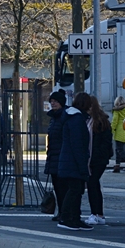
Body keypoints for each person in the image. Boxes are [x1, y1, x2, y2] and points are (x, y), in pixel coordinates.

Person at [57, 94, 93, 231]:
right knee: (75, 190)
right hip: (73, 161)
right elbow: (78, 144)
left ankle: (74, 218)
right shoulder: (77, 120)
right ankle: (67, 218)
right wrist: (83, 165)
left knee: (75, 190)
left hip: (68, 160)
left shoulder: (71, 118)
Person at [78, 93, 114, 226]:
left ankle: (97, 213)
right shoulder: (87, 120)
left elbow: (105, 142)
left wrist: (101, 154)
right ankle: (98, 213)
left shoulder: (99, 121)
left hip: (97, 158)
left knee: (92, 183)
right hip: (93, 158)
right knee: (93, 184)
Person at [45, 90, 67, 221]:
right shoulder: (53, 118)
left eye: (55, 102)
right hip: (54, 156)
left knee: (63, 187)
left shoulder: (63, 117)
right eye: (52, 101)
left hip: (61, 157)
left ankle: (64, 211)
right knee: (57, 187)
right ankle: (61, 211)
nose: (53, 104)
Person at [110, 96, 125, 173]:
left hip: (120, 133)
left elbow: (114, 122)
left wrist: (111, 131)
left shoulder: (117, 111)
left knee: (119, 150)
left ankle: (118, 165)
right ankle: (123, 165)